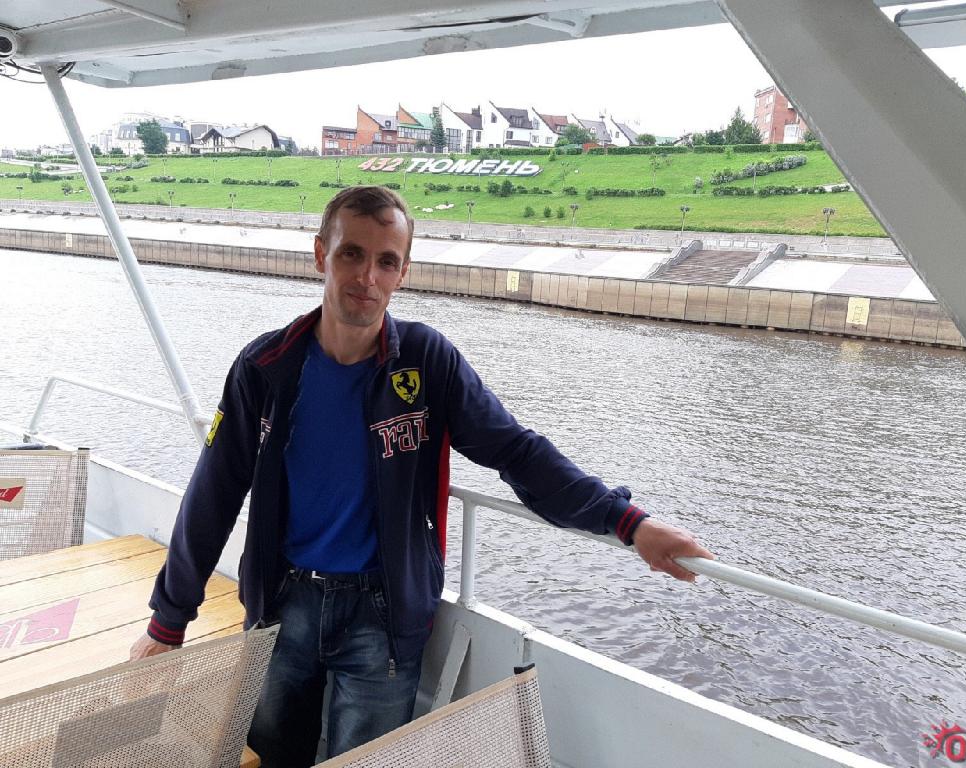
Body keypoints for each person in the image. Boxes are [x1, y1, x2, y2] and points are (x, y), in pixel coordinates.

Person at [130, 185, 713, 767]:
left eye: (387, 261)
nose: (368, 277)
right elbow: (214, 492)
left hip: (383, 617)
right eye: (352, 254)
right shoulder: (266, 367)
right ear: (320, 254)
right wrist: (169, 620)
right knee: (272, 757)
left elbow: (515, 450)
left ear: (403, 272)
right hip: (283, 603)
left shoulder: (426, 361)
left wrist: (627, 521)